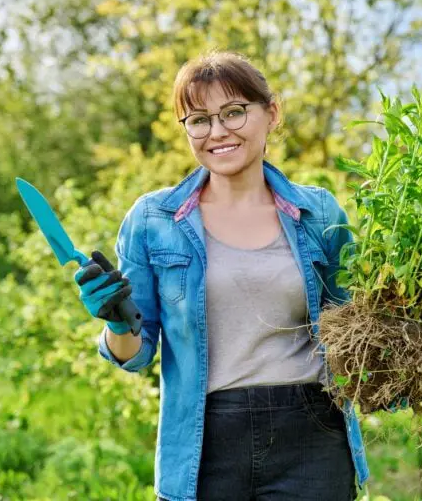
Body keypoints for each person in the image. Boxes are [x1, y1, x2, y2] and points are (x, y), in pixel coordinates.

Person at [74, 50, 370, 501]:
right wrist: (118, 321)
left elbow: (353, 327)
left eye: (234, 112)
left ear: (270, 114)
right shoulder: (153, 220)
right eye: (198, 120)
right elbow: (136, 355)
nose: (217, 132)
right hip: (204, 440)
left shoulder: (318, 212)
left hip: (312, 434)